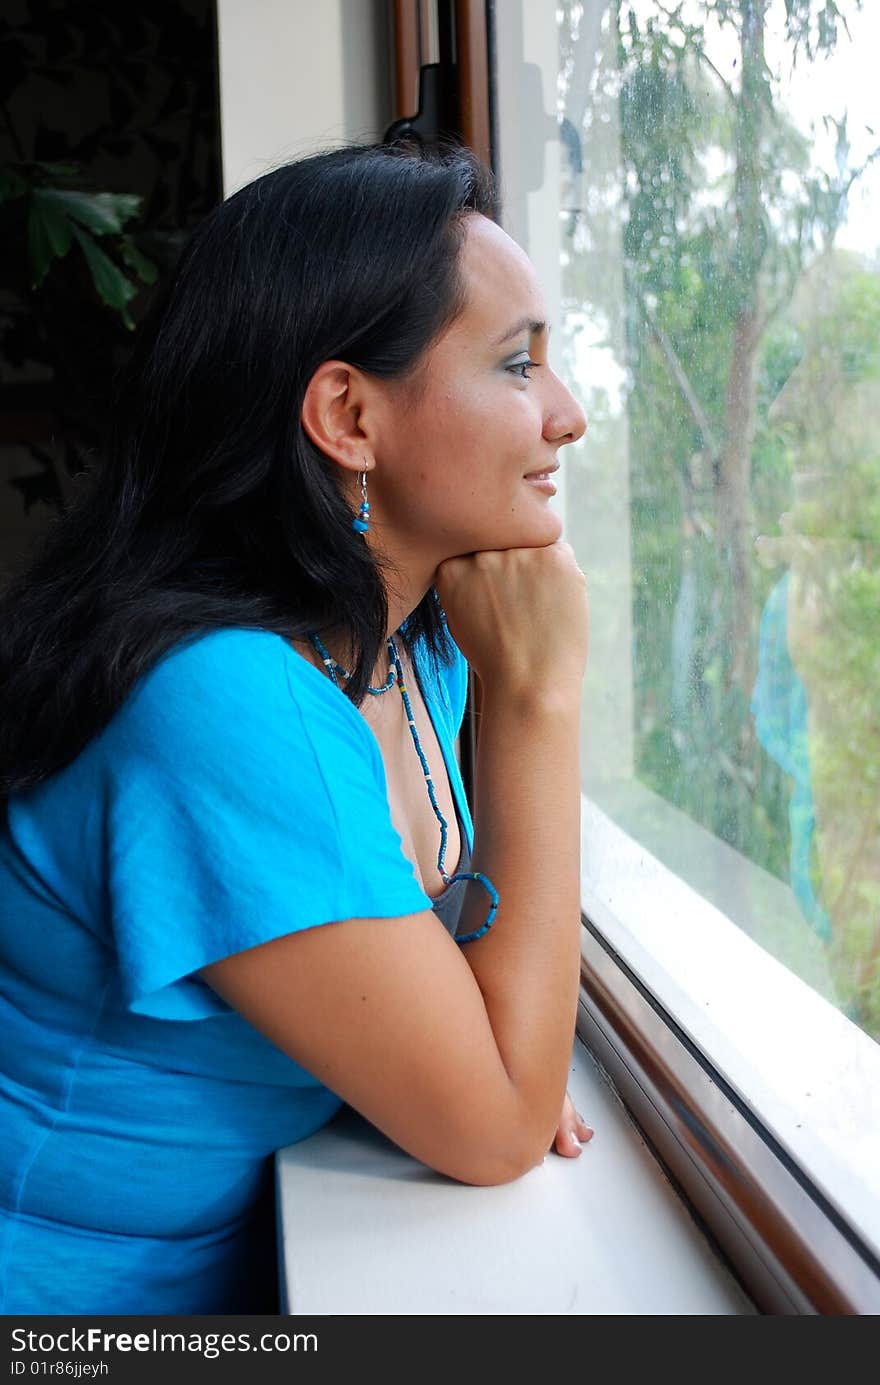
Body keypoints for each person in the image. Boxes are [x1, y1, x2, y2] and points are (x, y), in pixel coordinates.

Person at [0, 140, 592, 1314]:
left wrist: (471, 1042)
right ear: (346, 414)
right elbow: (499, 1130)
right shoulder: (223, 701)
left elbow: (447, 1001)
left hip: (214, 1267)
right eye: (517, 364)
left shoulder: (414, 644)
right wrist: (542, 701)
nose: (565, 416)